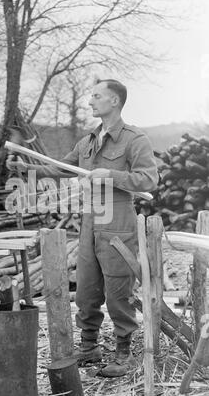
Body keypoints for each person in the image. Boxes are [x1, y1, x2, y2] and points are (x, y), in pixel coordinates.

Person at [8, 79, 158, 377]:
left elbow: (149, 180)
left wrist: (111, 175)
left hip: (117, 219)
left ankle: (123, 353)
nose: (90, 101)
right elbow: (60, 169)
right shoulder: (88, 140)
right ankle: (89, 346)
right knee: (87, 287)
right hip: (91, 217)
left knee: (118, 289)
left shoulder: (134, 139)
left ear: (114, 101)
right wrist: (27, 170)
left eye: (96, 96)